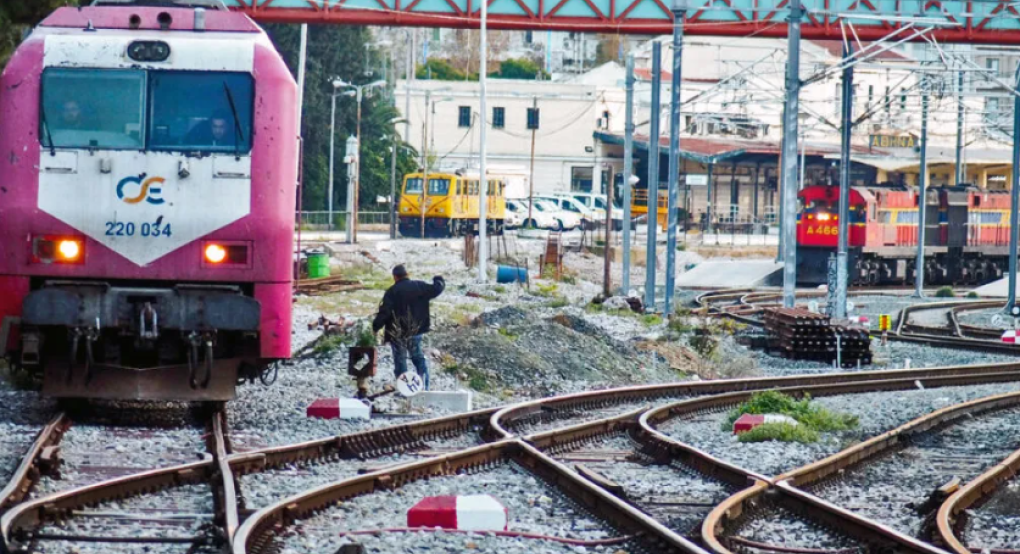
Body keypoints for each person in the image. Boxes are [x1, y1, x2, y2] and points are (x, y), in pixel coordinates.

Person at [372, 265, 445, 391]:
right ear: (407, 274)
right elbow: (437, 288)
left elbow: (385, 312)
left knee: (400, 361)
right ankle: (424, 387)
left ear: (395, 277)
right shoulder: (420, 286)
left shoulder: (392, 292)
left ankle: (405, 390)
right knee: (417, 357)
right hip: (416, 331)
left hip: (397, 333)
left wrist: (375, 327)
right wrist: (438, 278)